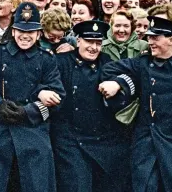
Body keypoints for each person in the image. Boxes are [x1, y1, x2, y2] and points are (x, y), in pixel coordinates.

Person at [99, 16, 172, 192]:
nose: (150, 41)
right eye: (149, 37)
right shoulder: (143, 63)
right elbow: (109, 69)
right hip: (147, 143)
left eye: (155, 37)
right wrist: (121, 83)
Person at [0, 2, 65, 192]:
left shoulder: (46, 59)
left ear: (38, 33)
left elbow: (57, 97)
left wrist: (28, 110)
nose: (25, 36)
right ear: (13, 31)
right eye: (21, 30)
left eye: (30, 32)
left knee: (36, 183)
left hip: (33, 129)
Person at [53, 20, 131, 192]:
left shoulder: (106, 61)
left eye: (98, 43)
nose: (94, 48)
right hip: (70, 139)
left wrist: (118, 84)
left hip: (102, 140)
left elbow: (130, 76)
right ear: (78, 41)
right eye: (89, 42)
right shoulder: (62, 62)